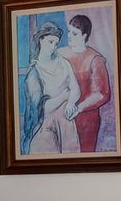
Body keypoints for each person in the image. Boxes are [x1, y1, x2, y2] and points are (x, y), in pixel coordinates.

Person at [22, 21, 81, 155]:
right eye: (50, 42)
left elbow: (76, 89)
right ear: (41, 40)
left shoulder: (64, 63)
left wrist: (71, 103)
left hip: (66, 124)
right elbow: (41, 109)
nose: (53, 47)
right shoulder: (34, 73)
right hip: (44, 126)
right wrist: (64, 96)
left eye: (56, 43)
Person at [63, 13, 113, 153]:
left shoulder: (95, 59)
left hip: (85, 120)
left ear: (84, 36)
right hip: (62, 119)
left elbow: (102, 94)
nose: (69, 36)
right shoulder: (60, 55)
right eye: (69, 32)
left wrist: (78, 108)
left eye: (74, 33)